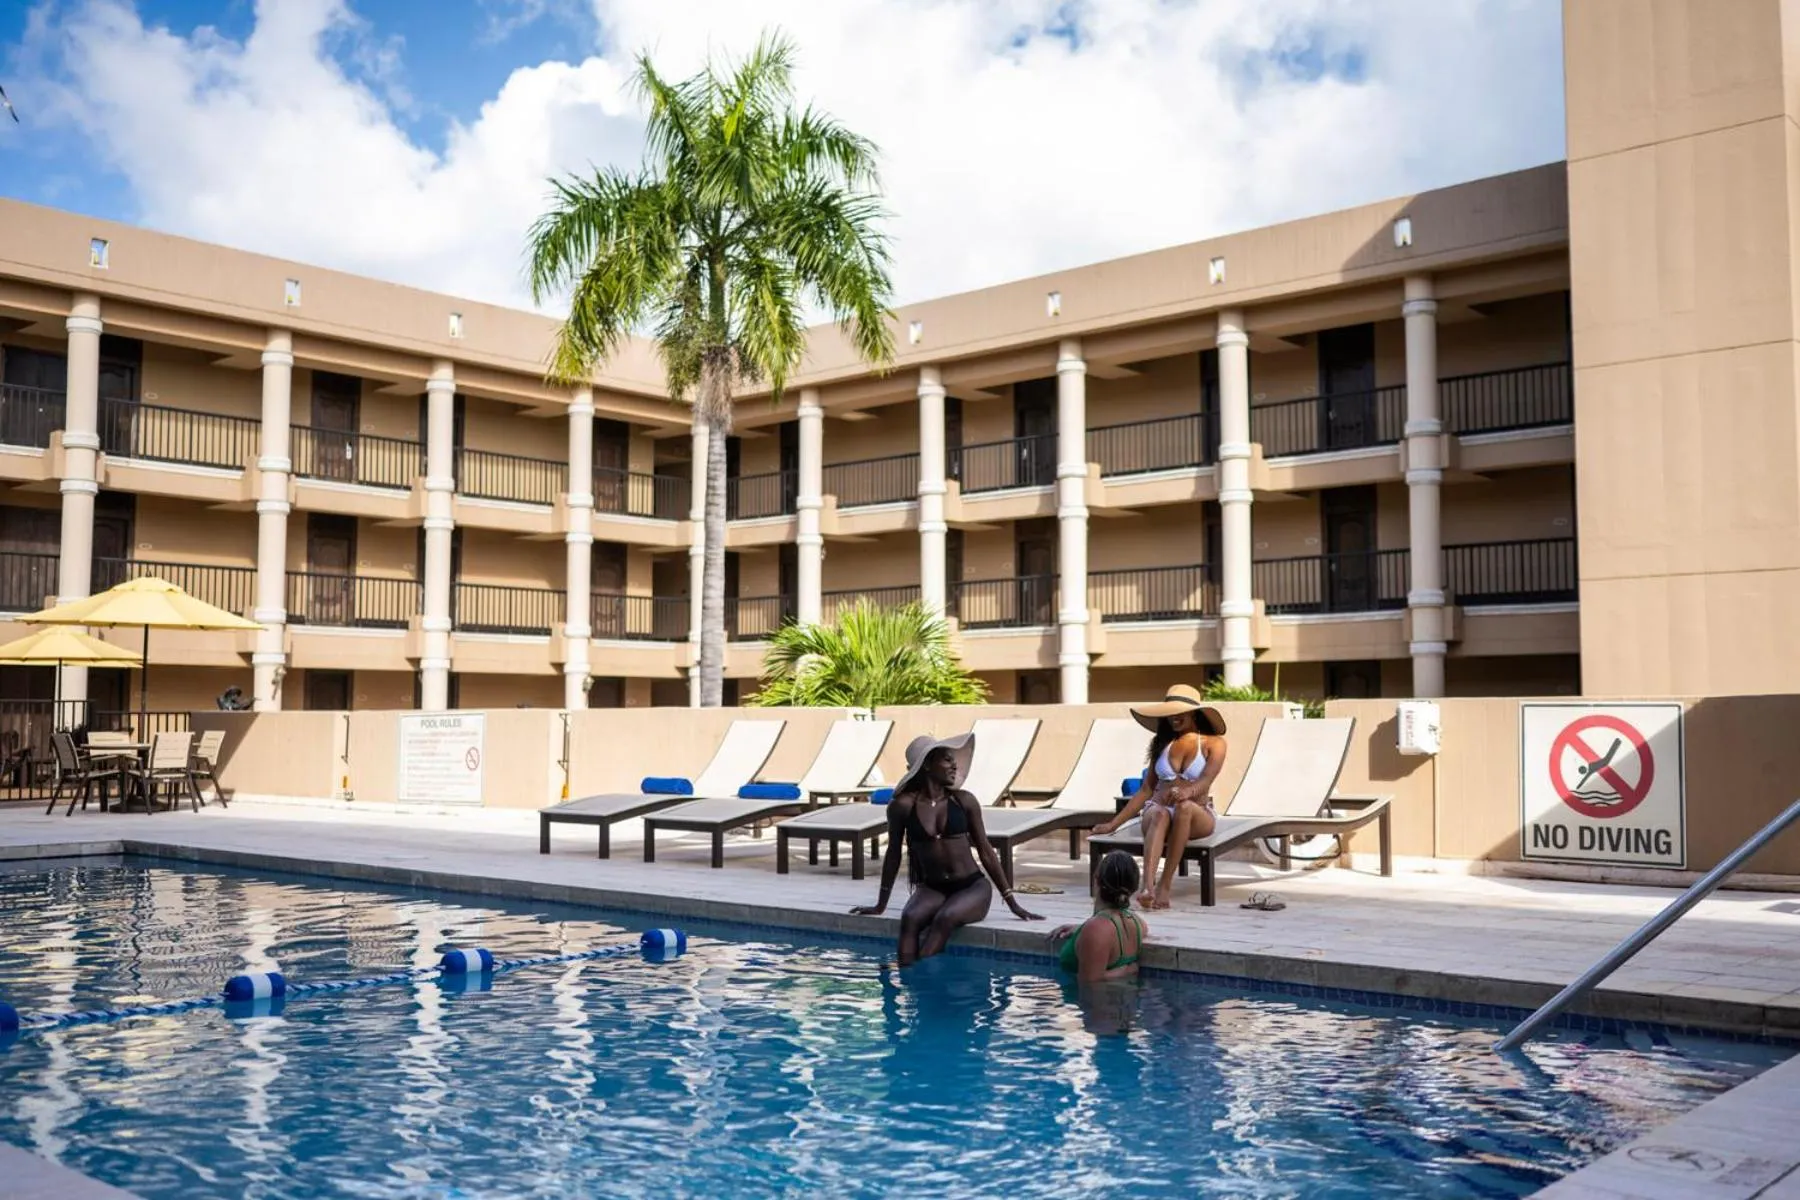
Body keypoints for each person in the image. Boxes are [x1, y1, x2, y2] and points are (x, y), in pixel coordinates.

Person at [851, 732, 1043, 964]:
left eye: (953, 760)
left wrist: (1012, 902)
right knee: (910, 918)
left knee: (945, 917)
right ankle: (901, 985)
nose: (954, 765)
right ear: (927, 766)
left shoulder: (963, 801)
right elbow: (893, 854)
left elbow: (985, 851)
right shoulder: (902, 806)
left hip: (972, 887)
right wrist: (881, 904)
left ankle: (919, 981)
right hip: (932, 888)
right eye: (947, 759)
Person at [1093, 683, 1227, 909]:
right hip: (1158, 811)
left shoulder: (1214, 743)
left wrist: (1187, 792)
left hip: (1197, 815)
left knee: (1184, 807)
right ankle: (1148, 888)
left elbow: (1206, 780)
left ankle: (1165, 886)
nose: (1173, 718)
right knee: (1159, 813)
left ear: (1194, 712)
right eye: (1169, 714)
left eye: (1179, 712)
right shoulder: (1162, 743)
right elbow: (1146, 790)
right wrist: (1113, 824)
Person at [1048, 850, 1147, 983]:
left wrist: (1126, 971)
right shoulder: (1137, 923)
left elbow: (1091, 983)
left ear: (1096, 879)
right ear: (1134, 887)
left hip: (1088, 1002)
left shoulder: (1096, 929)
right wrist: (1081, 929)